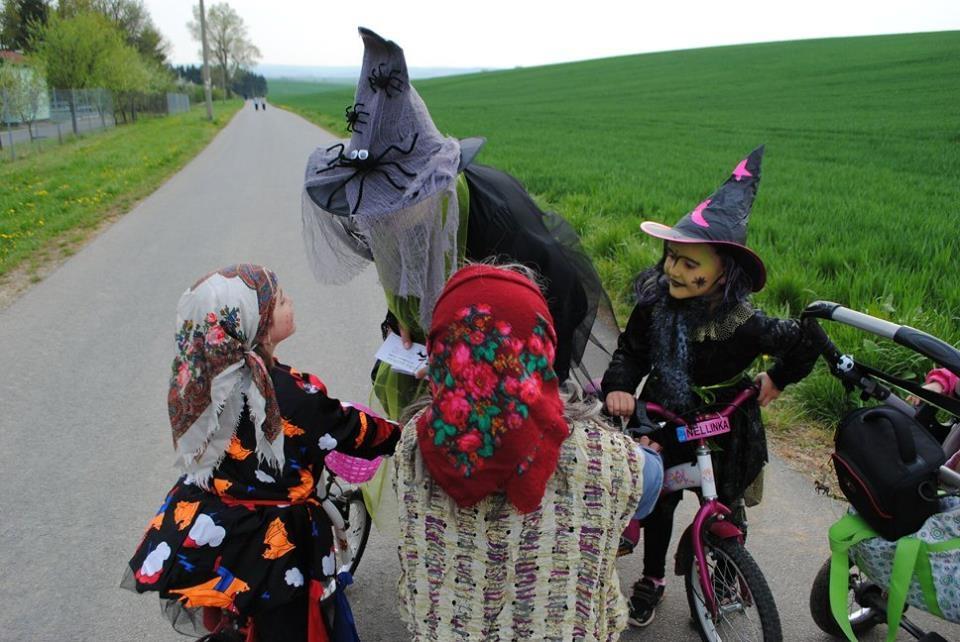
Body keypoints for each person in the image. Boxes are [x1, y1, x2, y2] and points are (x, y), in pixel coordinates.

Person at [302, 28, 612, 421]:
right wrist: (401, 324)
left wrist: (487, 368)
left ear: (428, 186)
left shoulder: (501, 227)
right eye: (375, 205)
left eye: (393, 203)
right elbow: (412, 281)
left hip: (510, 372)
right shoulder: (400, 219)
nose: (382, 219)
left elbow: (564, 303)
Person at [601, 147, 824, 627]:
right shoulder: (655, 305)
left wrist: (777, 378)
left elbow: (806, 341)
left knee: (726, 499)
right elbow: (631, 351)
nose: (674, 271)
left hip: (726, 421)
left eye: (690, 263)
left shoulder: (746, 323)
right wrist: (619, 387)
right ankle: (653, 577)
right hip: (665, 415)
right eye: (671, 258)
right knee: (660, 499)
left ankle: (724, 573)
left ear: (726, 272)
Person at [122, 264, 400, 642]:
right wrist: (403, 434)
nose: (291, 302)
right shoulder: (286, 394)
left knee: (230, 609)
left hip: (216, 520)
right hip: (275, 539)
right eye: (281, 301)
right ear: (259, 326)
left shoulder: (202, 379)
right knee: (289, 626)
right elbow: (351, 429)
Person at [393, 263, 664, 642]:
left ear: (440, 356)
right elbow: (648, 491)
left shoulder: (414, 444)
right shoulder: (614, 457)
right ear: (543, 353)